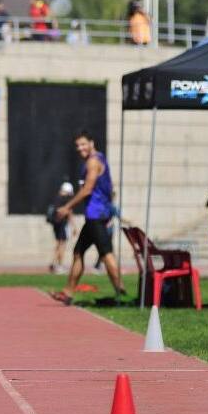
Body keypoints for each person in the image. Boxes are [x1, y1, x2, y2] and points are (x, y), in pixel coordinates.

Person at [50, 130, 125, 304]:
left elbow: (87, 189)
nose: (80, 148)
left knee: (106, 255)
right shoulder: (100, 158)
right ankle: (68, 293)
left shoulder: (92, 162)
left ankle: (121, 292)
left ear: (92, 143)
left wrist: (67, 207)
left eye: (83, 144)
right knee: (78, 252)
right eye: (77, 145)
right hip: (97, 215)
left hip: (95, 216)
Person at [48, 181, 76, 274]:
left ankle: (54, 263)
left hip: (56, 224)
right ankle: (59, 265)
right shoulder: (63, 199)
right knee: (62, 245)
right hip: (61, 224)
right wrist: (74, 226)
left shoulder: (56, 198)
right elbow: (66, 212)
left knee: (59, 244)